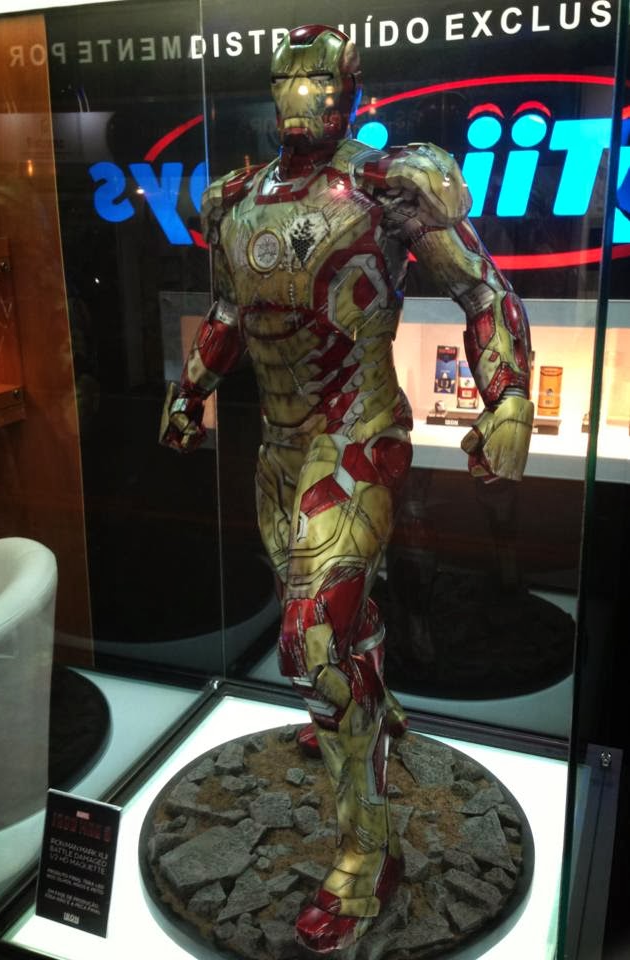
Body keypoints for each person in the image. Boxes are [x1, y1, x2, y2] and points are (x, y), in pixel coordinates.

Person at [160, 23, 533, 954]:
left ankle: (369, 853)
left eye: (319, 77)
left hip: (358, 436)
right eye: (289, 76)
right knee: (333, 625)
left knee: (312, 640)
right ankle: (372, 706)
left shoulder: (389, 185)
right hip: (279, 447)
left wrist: (508, 398)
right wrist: (191, 389)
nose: (303, 93)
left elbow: (483, 290)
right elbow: (227, 311)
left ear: (349, 85)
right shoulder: (234, 197)